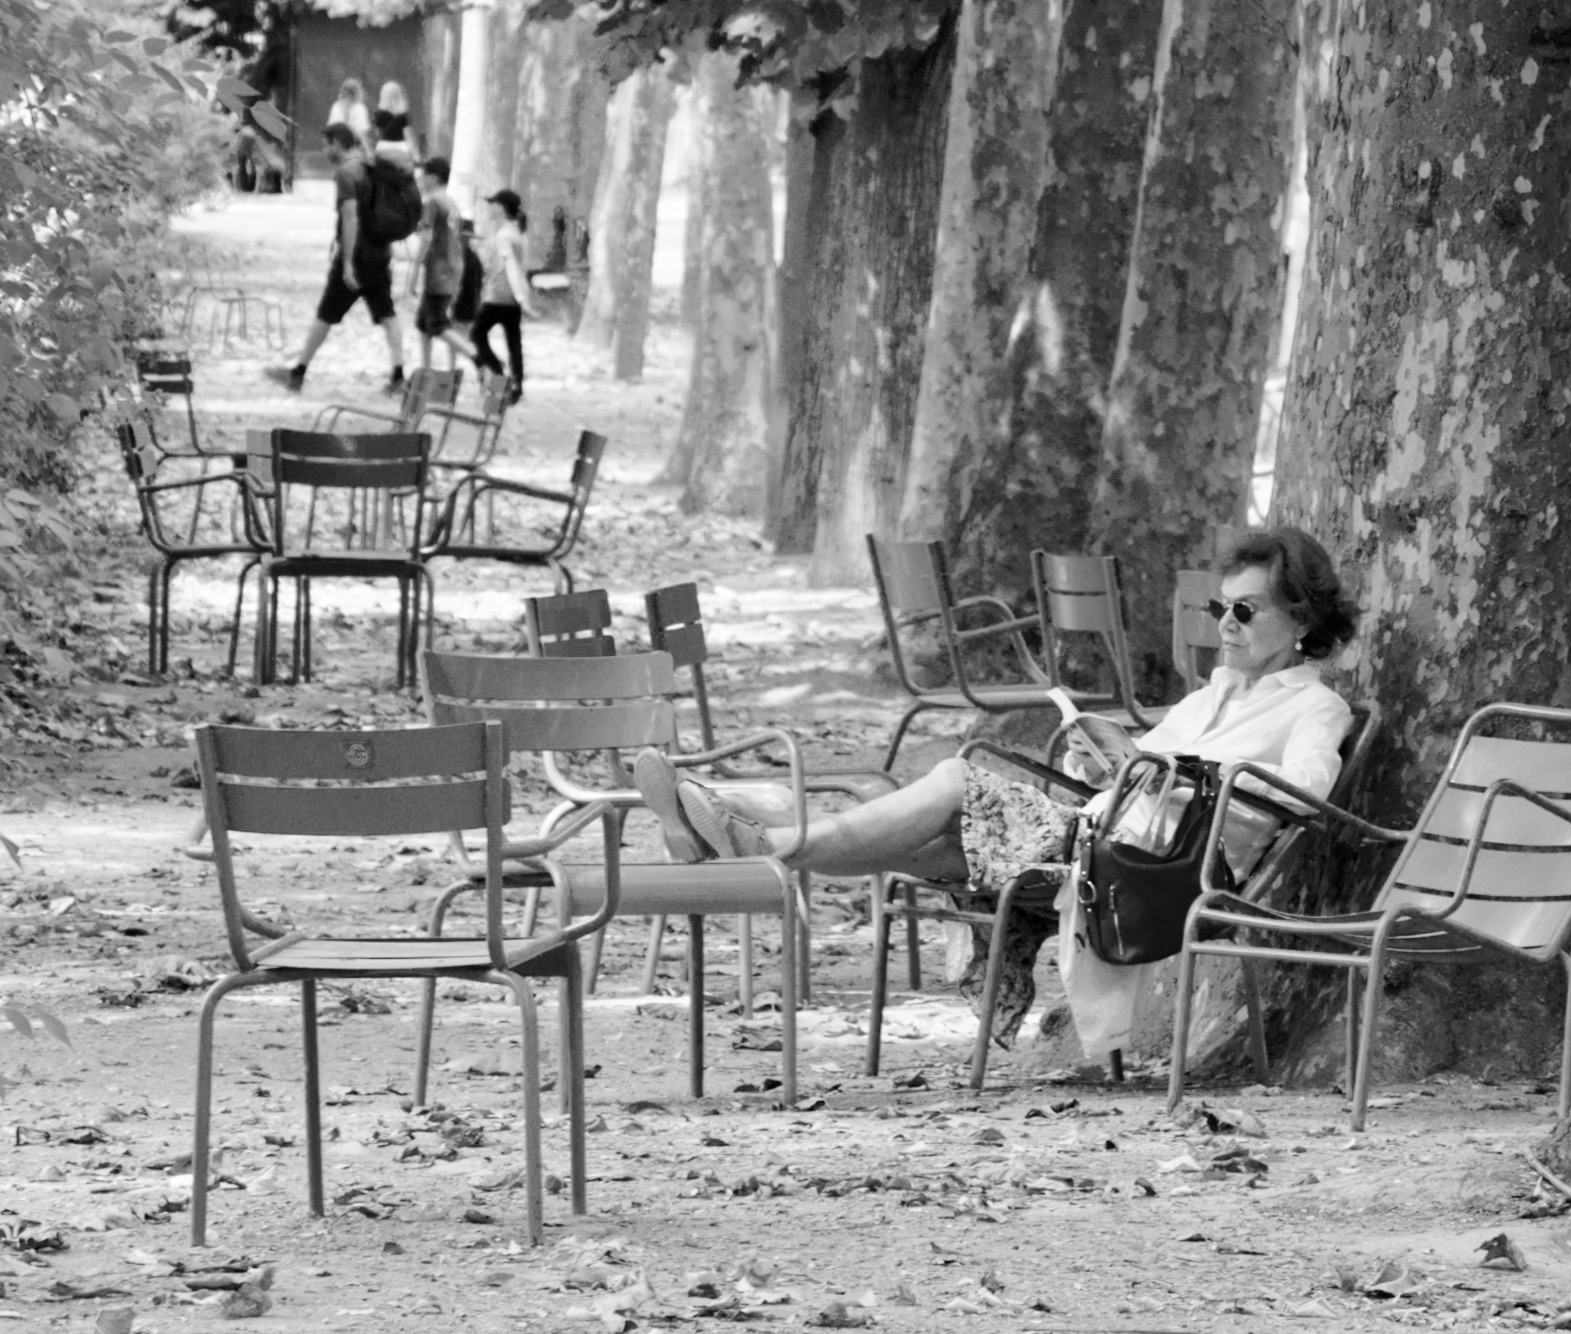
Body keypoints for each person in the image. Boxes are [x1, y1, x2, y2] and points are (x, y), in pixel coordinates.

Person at [634, 527, 1359, 1049]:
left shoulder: (1313, 708)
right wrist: (1102, 756)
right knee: (934, 835)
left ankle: (749, 842)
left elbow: (1304, 797)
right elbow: (1130, 775)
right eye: (1219, 609)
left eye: (1244, 610)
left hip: (1160, 875)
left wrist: (1184, 779)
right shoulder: (1211, 697)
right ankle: (749, 841)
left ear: (1300, 619)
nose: (1225, 625)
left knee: (955, 779)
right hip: (1101, 840)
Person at [265, 123, 406, 395]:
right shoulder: (374, 168)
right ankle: (399, 374)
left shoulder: (346, 173)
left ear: (337, 144)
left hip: (357, 255)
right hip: (380, 253)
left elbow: (351, 216)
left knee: (326, 314)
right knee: (387, 314)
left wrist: (348, 262)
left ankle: (298, 373)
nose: (324, 150)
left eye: (325, 144)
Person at [409, 157, 479, 372]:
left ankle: (478, 358)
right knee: (423, 323)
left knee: (437, 324)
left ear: (434, 177)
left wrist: (414, 272)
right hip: (453, 267)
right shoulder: (451, 203)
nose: (421, 179)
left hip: (438, 272)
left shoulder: (432, 203)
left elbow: (427, 239)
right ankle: (426, 371)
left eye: (424, 175)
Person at [470, 189, 536, 405]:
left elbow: (512, 267)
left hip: (499, 296)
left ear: (499, 208)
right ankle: (517, 385)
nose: (489, 208)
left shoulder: (504, 235)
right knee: (513, 341)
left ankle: (499, 375)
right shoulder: (518, 233)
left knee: (476, 335)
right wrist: (522, 297)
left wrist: (520, 296)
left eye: (492, 204)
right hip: (511, 298)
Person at [373, 81, 413, 165]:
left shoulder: (378, 114)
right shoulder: (404, 116)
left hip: (383, 147)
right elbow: (408, 135)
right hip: (401, 148)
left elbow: (378, 134)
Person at [325, 77, 371, 144]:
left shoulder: (337, 107)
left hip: (344, 144)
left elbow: (331, 128)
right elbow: (362, 131)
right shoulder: (359, 108)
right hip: (347, 145)